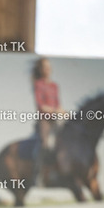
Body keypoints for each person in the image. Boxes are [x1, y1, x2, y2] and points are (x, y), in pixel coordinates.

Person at [31, 57, 67, 185]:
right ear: (41, 69)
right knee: (46, 145)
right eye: (45, 67)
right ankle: (38, 174)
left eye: (49, 67)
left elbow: (58, 104)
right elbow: (41, 106)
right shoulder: (38, 84)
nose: (48, 69)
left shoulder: (54, 86)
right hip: (45, 120)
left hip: (57, 119)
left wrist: (64, 112)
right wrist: (55, 111)